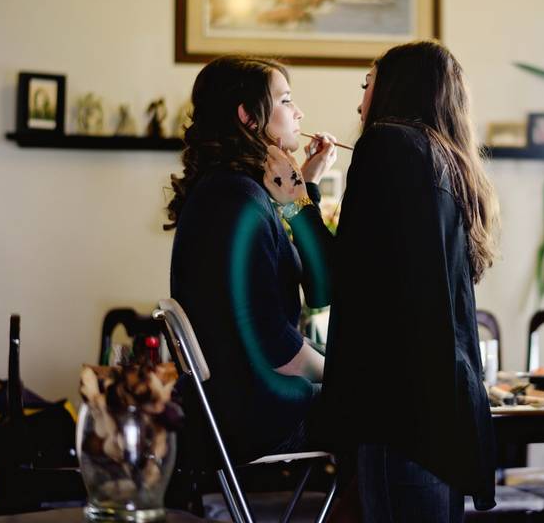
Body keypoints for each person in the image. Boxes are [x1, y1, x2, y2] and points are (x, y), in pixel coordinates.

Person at [301, 40, 500, 521]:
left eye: (368, 84)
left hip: (398, 412)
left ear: (397, 89)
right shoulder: (445, 159)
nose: (360, 100)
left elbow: (334, 278)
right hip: (445, 412)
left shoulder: (386, 143)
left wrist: (299, 196)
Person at [165, 54, 337, 463]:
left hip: (237, 402)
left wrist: (306, 184)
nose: (299, 113)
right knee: (388, 414)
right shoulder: (238, 202)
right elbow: (272, 341)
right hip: (254, 413)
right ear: (249, 117)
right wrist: (342, 375)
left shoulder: (237, 191)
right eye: (286, 101)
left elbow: (317, 285)